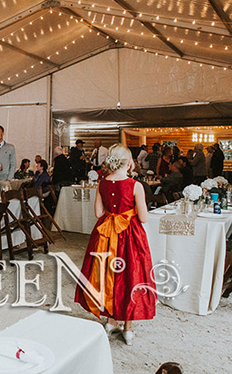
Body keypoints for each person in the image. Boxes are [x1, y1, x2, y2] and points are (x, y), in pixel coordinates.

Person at [75, 144, 155, 345]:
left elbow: (98, 214)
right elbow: (144, 218)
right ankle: (128, 328)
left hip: (105, 235)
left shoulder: (102, 183)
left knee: (107, 274)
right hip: (129, 236)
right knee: (130, 276)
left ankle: (110, 321)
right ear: (129, 163)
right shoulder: (135, 185)